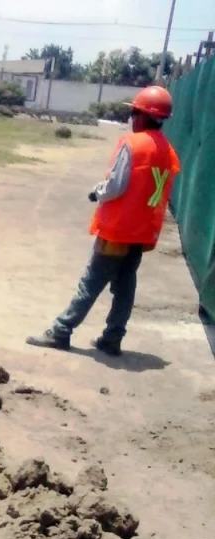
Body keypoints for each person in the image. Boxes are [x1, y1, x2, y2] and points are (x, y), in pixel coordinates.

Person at [26, 85, 180, 356]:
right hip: (143, 231)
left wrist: (96, 191)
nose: (131, 118)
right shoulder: (168, 152)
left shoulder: (133, 144)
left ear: (142, 116)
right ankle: (112, 338)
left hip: (118, 230)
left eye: (134, 113)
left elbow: (116, 186)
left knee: (91, 282)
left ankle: (61, 331)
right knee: (125, 286)